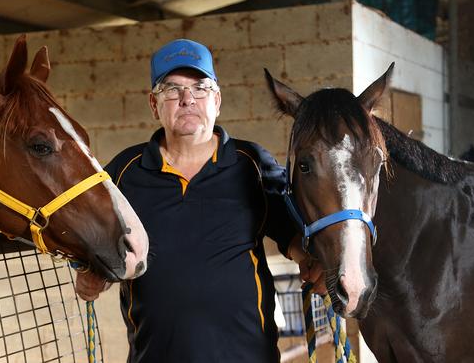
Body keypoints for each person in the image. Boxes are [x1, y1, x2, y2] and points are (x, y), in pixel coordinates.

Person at [76, 39, 323, 362]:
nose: (187, 99)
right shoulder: (125, 173)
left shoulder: (252, 164)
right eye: (172, 89)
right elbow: (94, 243)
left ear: (217, 100)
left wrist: (312, 261)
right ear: (154, 104)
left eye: (200, 88)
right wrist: (91, 274)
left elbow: (291, 233)